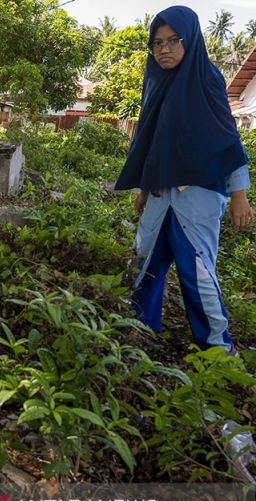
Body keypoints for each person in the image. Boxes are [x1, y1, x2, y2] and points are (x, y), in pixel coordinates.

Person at [114, 5, 254, 354]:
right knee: (144, 262)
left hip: (198, 195)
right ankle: (139, 331)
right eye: (157, 43)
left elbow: (227, 138)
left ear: (190, 40)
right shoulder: (155, 80)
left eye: (173, 41)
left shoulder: (206, 79)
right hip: (161, 195)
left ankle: (217, 348)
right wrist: (145, 189)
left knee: (198, 274)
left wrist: (240, 194)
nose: (164, 49)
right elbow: (152, 140)